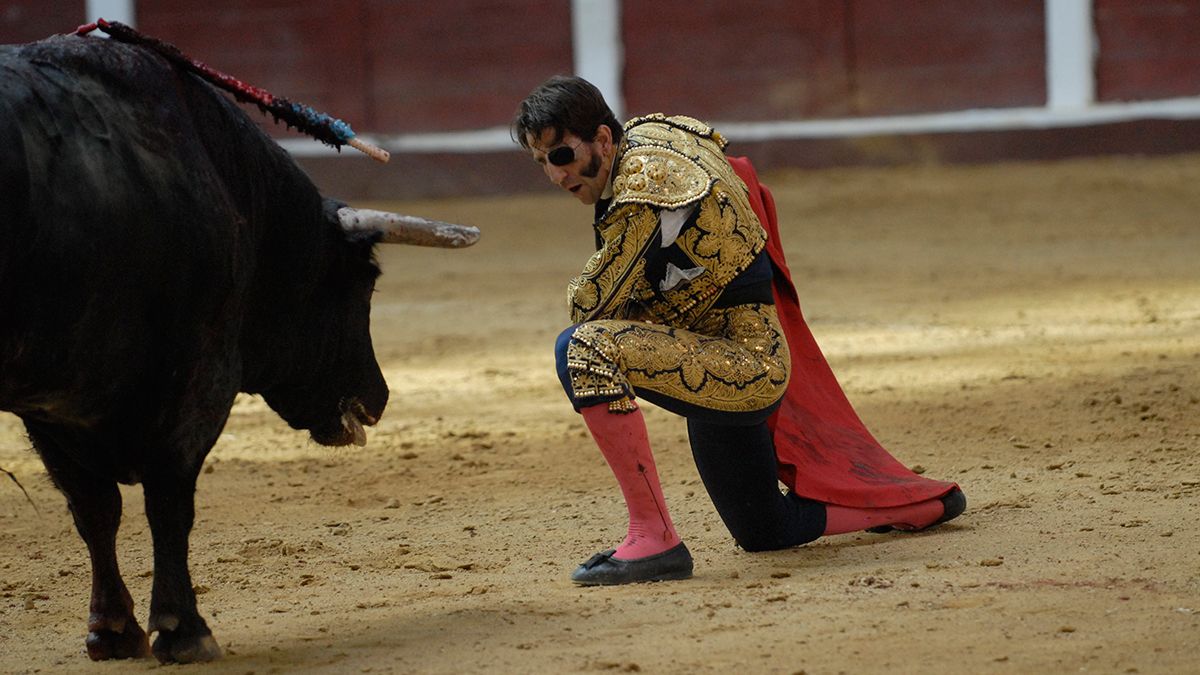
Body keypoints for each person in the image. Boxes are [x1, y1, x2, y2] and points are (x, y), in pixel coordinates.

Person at [512, 75, 966, 585]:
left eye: (560, 156)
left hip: (740, 362)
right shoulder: (655, 132)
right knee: (763, 529)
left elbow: (590, 304)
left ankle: (652, 537)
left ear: (601, 139)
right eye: (542, 164)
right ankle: (914, 507)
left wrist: (642, 303)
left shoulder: (644, 187)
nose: (555, 175)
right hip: (729, 346)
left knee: (583, 350)